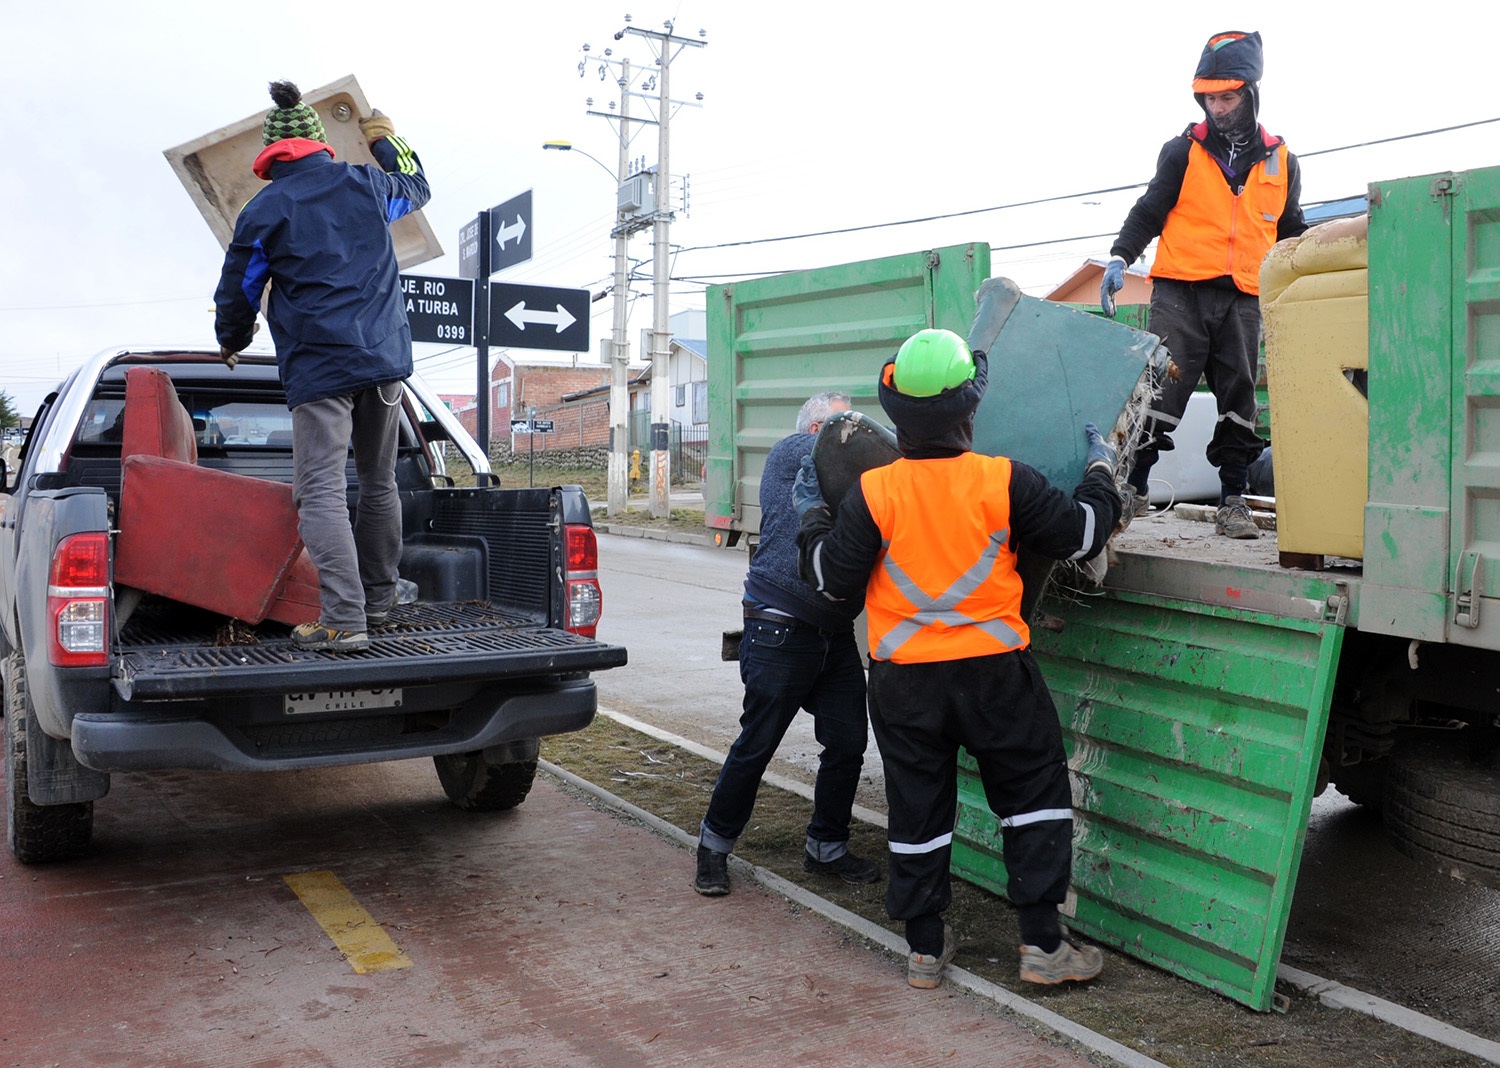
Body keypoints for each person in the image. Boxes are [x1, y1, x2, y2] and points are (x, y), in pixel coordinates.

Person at [795, 328, 1120, 990]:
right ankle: (1041, 947)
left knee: (917, 808)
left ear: (896, 417)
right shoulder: (1005, 482)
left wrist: (811, 518)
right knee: (1031, 796)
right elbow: (1083, 535)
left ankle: (923, 950)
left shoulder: (875, 496)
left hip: (905, 683)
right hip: (997, 674)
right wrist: (1101, 472)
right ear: (971, 410)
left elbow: (830, 581)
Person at [214, 81, 430, 651]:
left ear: (271, 155)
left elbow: (238, 291)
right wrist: (386, 142)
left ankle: (342, 618)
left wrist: (231, 340)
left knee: (320, 490)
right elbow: (417, 186)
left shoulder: (262, 211)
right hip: (384, 362)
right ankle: (380, 599)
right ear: (317, 143)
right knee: (378, 479)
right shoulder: (367, 183)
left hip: (320, 370)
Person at [1100, 30, 1306, 539]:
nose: (1218, 108)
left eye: (1228, 97)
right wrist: (1120, 256)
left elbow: (1292, 231)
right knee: (1160, 397)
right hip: (1181, 295)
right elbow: (1149, 210)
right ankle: (1133, 489)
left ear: (1250, 94)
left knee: (1239, 400)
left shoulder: (1283, 161)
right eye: (1209, 98)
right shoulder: (1182, 151)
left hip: (1243, 300)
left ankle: (1233, 502)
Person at [694, 392, 882, 897]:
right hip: (780, 628)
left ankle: (826, 847)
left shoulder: (858, 482)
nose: (849, 435)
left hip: (835, 635)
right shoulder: (790, 455)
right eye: (839, 425)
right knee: (757, 746)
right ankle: (713, 848)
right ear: (815, 427)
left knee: (847, 745)